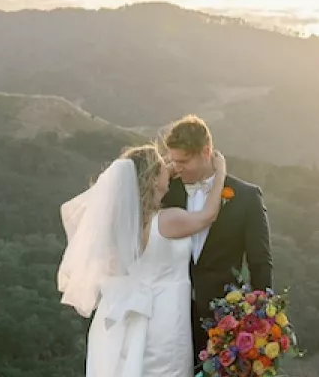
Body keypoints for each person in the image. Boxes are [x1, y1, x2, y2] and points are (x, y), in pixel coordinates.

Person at [58, 142, 228, 377]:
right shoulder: (168, 220)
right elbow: (208, 215)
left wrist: (160, 171)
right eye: (161, 167)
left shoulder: (118, 225)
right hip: (165, 314)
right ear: (153, 179)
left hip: (129, 315)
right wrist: (221, 172)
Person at [159, 115, 273, 369]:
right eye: (172, 161)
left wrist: (262, 322)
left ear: (206, 152)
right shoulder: (165, 190)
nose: (176, 168)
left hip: (225, 321)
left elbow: (260, 262)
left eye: (183, 161)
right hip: (170, 316)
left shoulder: (246, 197)